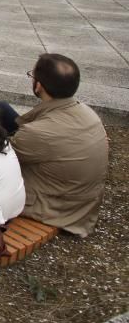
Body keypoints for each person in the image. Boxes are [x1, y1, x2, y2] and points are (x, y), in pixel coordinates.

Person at [8, 54, 108, 237]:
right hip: (79, 201)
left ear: (38, 85)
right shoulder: (88, 113)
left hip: (52, 206)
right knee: (0, 109)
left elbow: (1, 157)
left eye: (32, 76)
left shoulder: (37, 133)